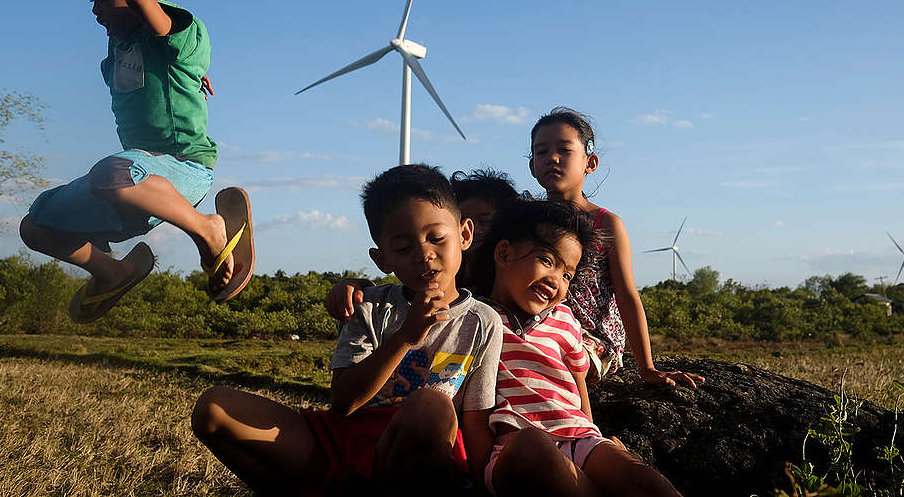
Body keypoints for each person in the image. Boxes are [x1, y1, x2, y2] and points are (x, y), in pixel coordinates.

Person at [191, 164, 503, 494]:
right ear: (382, 260)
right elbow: (343, 401)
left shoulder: (482, 322)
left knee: (431, 406)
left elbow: (476, 421)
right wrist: (405, 338)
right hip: (345, 440)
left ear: (465, 235)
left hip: (421, 456)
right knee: (213, 409)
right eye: (402, 248)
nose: (424, 255)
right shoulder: (370, 305)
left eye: (436, 238)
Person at [18, 0, 253, 322]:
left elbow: (145, 1)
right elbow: (165, 76)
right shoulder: (119, 53)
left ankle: (208, 229)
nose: (95, 10)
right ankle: (112, 271)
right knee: (35, 224)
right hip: (130, 190)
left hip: (182, 173)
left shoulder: (179, 27)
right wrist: (190, 76)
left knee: (109, 172)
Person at [475, 198, 685, 497]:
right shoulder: (478, 319)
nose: (556, 280)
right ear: (504, 253)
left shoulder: (565, 320)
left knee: (640, 477)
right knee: (532, 445)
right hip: (513, 446)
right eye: (547, 260)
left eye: (567, 275)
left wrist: (593, 433)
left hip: (579, 438)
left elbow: (578, 380)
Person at [529, 107, 702, 386]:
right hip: (538, 328)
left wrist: (647, 368)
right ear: (532, 166)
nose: (553, 158)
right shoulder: (526, 223)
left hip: (591, 340)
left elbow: (626, 295)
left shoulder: (606, 224)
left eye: (564, 149)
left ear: (591, 162)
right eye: (541, 152)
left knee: (544, 354)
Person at [324, 167, 518, 322]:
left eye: (486, 221)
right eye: (403, 248)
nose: (425, 254)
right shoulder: (380, 307)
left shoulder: (511, 290)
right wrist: (358, 288)